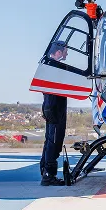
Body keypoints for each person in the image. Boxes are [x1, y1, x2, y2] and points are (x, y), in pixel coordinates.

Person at [39, 42, 69, 186]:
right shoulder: (55, 67)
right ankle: (49, 175)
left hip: (49, 108)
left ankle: (44, 170)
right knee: (55, 142)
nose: (66, 54)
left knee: (49, 140)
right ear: (58, 52)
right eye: (65, 51)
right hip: (55, 109)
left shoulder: (47, 64)